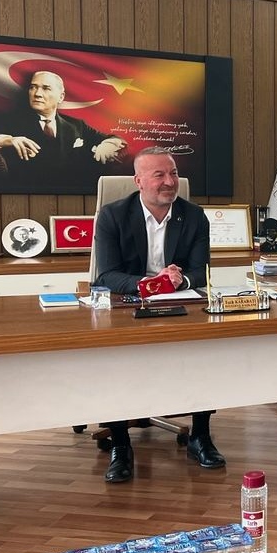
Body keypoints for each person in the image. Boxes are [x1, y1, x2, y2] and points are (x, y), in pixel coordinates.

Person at [91, 146, 224, 483]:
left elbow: (201, 271)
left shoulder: (194, 216)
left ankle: (200, 436)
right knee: (115, 360)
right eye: (159, 175)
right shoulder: (112, 215)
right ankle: (121, 444)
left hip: (180, 302)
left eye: (174, 173)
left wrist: (181, 279)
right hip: (129, 301)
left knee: (204, 352)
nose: (170, 181)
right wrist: (149, 284)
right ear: (138, 181)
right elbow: (106, 275)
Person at [0, 70, 126, 192]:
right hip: (25, 195)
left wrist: (108, 144)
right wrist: (7, 140)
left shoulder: (76, 125)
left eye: (46, 88)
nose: (37, 94)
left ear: (61, 97)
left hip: (71, 195)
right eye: (33, 87)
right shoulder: (9, 120)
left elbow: (115, 139)